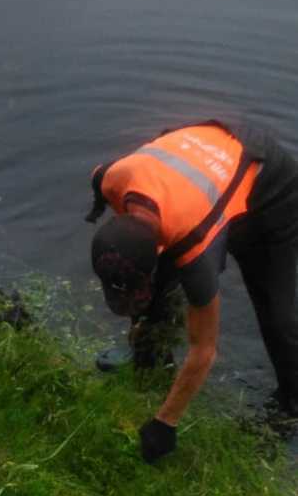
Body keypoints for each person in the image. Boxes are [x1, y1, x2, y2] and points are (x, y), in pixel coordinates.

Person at [87, 118, 298, 463]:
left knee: (275, 311)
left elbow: (204, 348)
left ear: (158, 249)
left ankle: (292, 404)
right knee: (157, 286)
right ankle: (151, 359)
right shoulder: (110, 179)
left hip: (270, 188)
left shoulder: (193, 244)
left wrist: (165, 422)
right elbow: (101, 184)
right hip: (204, 164)